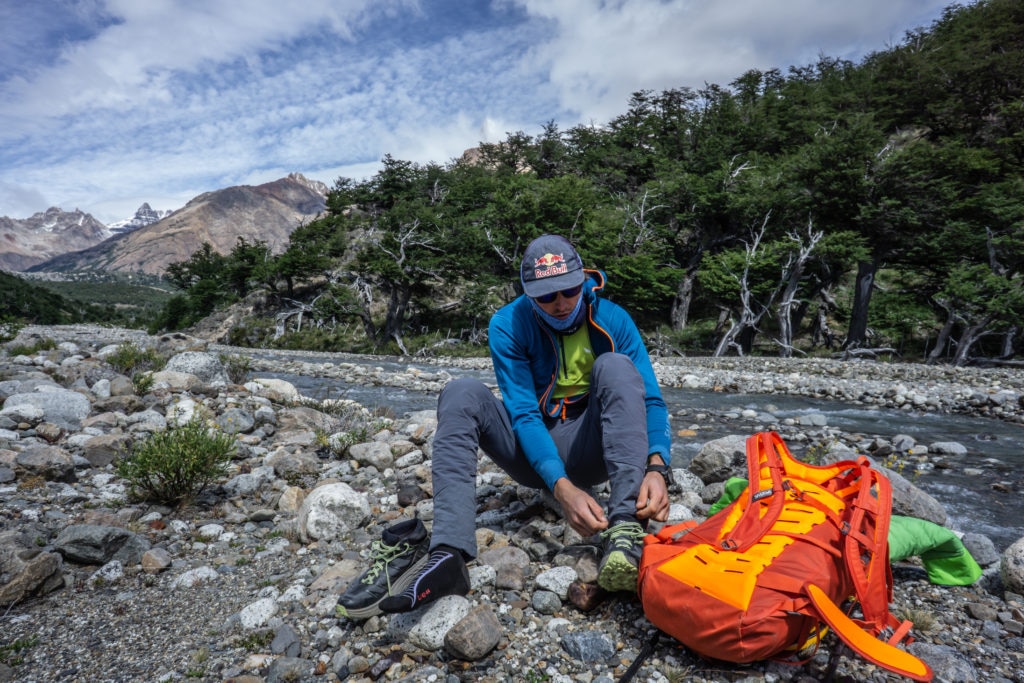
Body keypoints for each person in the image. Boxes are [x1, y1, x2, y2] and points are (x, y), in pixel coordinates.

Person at [337, 234, 673, 618]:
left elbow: (649, 400)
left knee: (615, 367)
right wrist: (561, 488)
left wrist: (657, 467)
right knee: (460, 392)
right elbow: (525, 415)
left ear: (584, 279)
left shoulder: (614, 319)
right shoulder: (507, 324)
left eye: (569, 289)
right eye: (547, 296)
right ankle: (449, 551)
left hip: (593, 446)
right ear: (528, 294)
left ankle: (624, 526)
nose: (561, 303)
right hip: (532, 452)